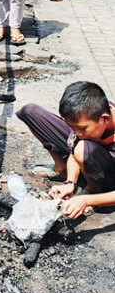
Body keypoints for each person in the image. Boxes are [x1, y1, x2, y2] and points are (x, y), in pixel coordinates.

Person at [16, 82, 115, 219]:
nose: (76, 132)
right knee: (30, 111)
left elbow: (79, 148)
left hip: (110, 177)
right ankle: (61, 169)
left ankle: (94, 192)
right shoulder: (90, 113)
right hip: (88, 155)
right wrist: (70, 182)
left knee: (84, 146)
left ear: (105, 119)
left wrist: (86, 200)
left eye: (81, 128)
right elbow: (75, 149)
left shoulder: (95, 116)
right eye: (71, 127)